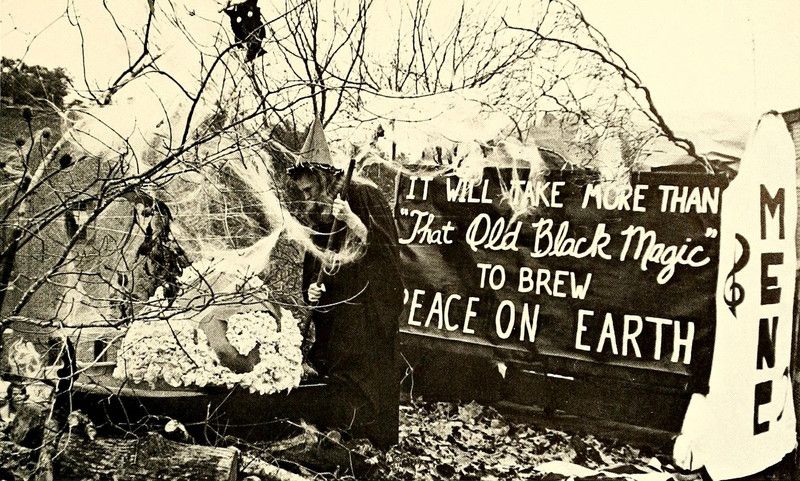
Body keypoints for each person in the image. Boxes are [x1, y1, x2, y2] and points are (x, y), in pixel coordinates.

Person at [288, 161, 403, 449]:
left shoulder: (364, 194)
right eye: (302, 192)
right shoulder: (321, 211)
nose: (306, 197)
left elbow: (388, 252)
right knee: (333, 372)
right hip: (335, 313)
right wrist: (312, 288)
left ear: (322, 178)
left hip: (365, 311)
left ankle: (367, 443)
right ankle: (337, 438)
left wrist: (352, 220)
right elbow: (316, 258)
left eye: (309, 189)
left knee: (362, 377)